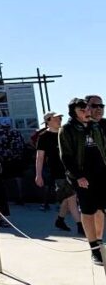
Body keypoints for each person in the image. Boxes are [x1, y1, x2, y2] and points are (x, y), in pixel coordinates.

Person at [59, 97, 106, 267]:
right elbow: (66, 156)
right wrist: (78, 176)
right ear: (74, 113)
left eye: (87, 109)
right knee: (88, 211)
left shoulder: (95, 126)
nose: (87, 112)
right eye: (82, 110)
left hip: (101, 174)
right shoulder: (67, 130)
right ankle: (94, 249)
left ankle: (99, 242)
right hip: (82, 176)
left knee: (101, 209)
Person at [35, 111, 81, 233]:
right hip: (57, 171)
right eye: (56, 118)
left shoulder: (65, 133)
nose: (59, 120)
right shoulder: (43, 137)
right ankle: (81, 225)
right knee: (72, 197)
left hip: (72, 170)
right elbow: (40, 157)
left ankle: (60, 220)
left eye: (60, 118)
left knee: (67, 198)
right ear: (48, 121)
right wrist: (38, 175)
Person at [0, 118, 26, 205]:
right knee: (18, 178)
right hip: (17, 159)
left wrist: (0, 158)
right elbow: (22, 146)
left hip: (4, 160)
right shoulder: (17, 133)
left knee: (4, 179)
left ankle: (5, 198)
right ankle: (20, 197)